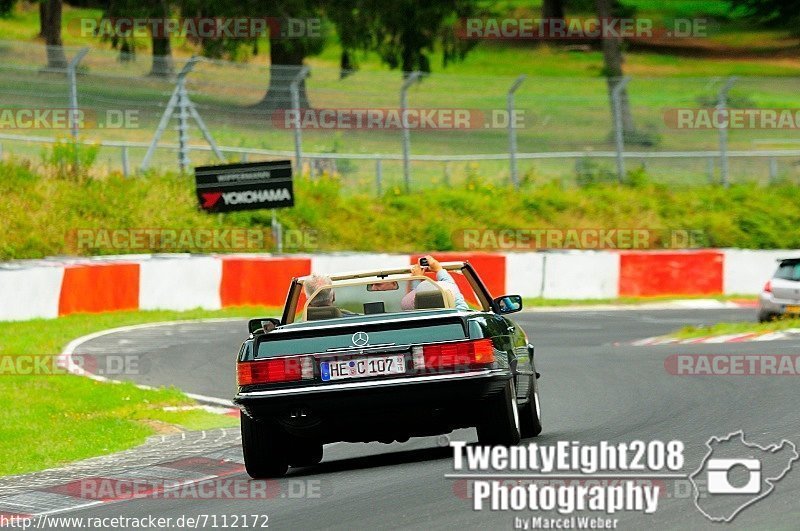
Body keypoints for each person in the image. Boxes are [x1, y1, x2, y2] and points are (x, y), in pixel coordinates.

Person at [402, 255, 470, 311]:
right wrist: (439, 270)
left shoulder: (412, 320)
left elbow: (413, 301)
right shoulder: (459, 318)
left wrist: (417, 278)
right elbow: (461, 306)